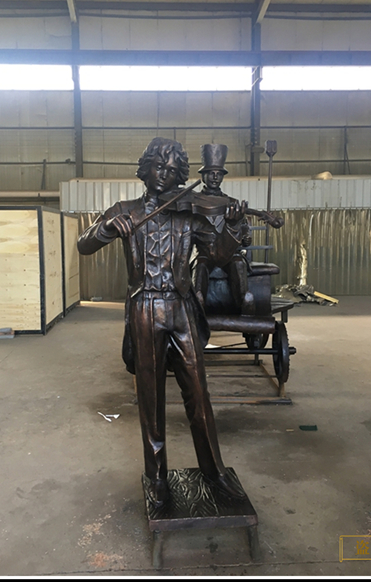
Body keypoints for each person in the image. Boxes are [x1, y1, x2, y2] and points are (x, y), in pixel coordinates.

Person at [77, 137, 247, 507]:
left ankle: (214, 471)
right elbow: (84, 244)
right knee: (150, 397)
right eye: (157, 166)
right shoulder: (125, 211)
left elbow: (217, 254)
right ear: (145, 168)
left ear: (180, 176)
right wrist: (108, 228)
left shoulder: (189, 214)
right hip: (144, 307)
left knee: (198, 393)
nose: (163, 175)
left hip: (181, 307)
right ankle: (156, 476)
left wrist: (233, 228)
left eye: (171, 170)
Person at [193, 144, 255, 316]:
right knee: (200, 266)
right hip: (205, 252)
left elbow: (243, 226)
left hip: (228, 252)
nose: (215, 177)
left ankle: (243, 302)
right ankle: (198, 303)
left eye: (219, 174)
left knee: (238, 263)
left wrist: (246, 235)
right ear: (203, 176)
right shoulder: (195, 202)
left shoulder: (232, 203)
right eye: (211, 173)